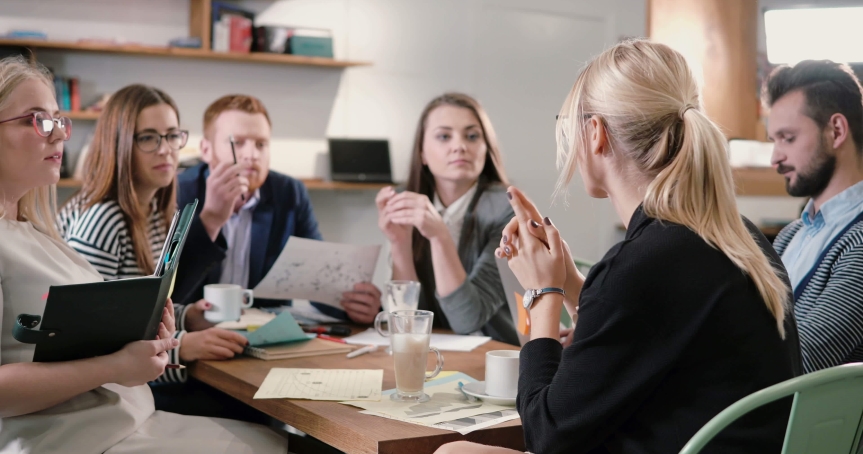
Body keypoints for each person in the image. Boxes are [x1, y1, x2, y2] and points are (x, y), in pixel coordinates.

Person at [436, 40, 801, 454]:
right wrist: (571, 281)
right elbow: (645, 327)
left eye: (571, 124)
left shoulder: (646, 261)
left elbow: (546, 435)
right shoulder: (739, 237)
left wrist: (543, 294)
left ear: (595, 133)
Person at [0, 55, 287, 453]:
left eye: (57, 119)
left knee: (275, 438)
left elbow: (105, 326)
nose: (59, 135)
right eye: (37, 119)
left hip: (121, 416)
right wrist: (150, 355)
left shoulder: (37, 233)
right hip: (83, 433)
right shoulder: (95, 221)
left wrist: (175, 321)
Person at [157, 94, 381, 418]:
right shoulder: (177, 191)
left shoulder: (288, 193)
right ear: (206, 150)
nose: (250, 154)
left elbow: (317, 281)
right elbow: (165, 294)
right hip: (188, 360)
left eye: (261, 144)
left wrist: (356, 303)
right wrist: (210, 218)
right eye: (238, 142)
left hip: (260, 355)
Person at [375, 93, 517, 345]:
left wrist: (439, 236)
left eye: (472, 136)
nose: (459, 146)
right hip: (435, 351)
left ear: (486, 148)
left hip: (496, 354)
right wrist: (399, 243)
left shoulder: (508, 209)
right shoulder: (405, 199)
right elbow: (406, 320)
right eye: (444, 136)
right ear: (423, 154)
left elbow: (467, 319)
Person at [765, 60, 863, 373]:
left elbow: (799, 363)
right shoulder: (790, 235)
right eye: (774, 141)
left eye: (788, 138)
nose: (775, 158)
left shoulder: (859, 242)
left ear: (836, 130)